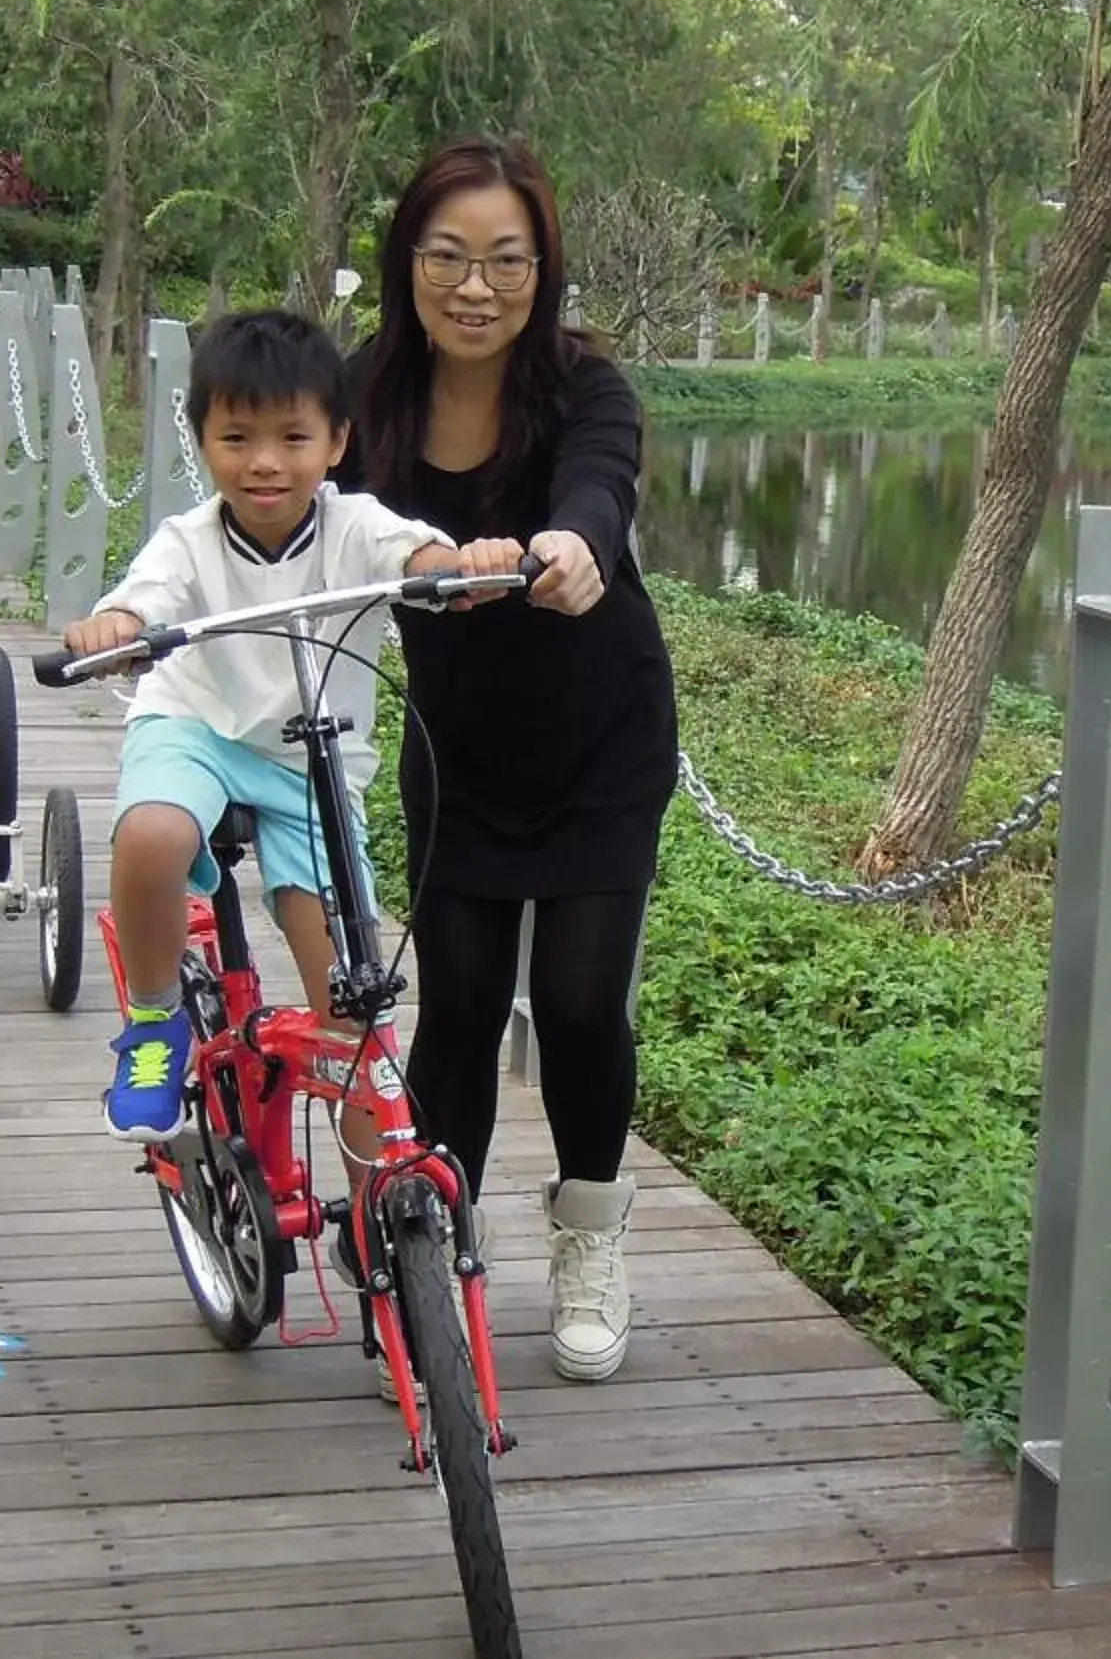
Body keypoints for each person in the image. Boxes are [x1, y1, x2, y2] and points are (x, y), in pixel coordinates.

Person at [344, 133, 680, 1385]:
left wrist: (576, 545)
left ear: (543, 270)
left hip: (603, 741)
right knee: (462, 1013)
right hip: (456, 748)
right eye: (448, 256)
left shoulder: (586, 387)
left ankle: (591, 1234)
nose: (475, 286)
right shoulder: (361, 394)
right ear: (407, 260)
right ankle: (439, 1257)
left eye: (506, 261)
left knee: (587, 1005)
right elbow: (270, 508)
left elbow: (600, 488)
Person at [62, 313, 497, 1165]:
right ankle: (154, 1021)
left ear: (337, 441)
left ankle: (386, 1207)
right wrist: (116, 623)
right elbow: (144, 598)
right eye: (237, 437)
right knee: (153, 835)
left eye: (293, 437)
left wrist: (449, 573)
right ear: (203, 443)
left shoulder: (357, 526)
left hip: (312, 759)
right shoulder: (188, 542)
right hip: (197, 726)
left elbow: (416, 554)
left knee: (353, 1003)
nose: (265, 462)